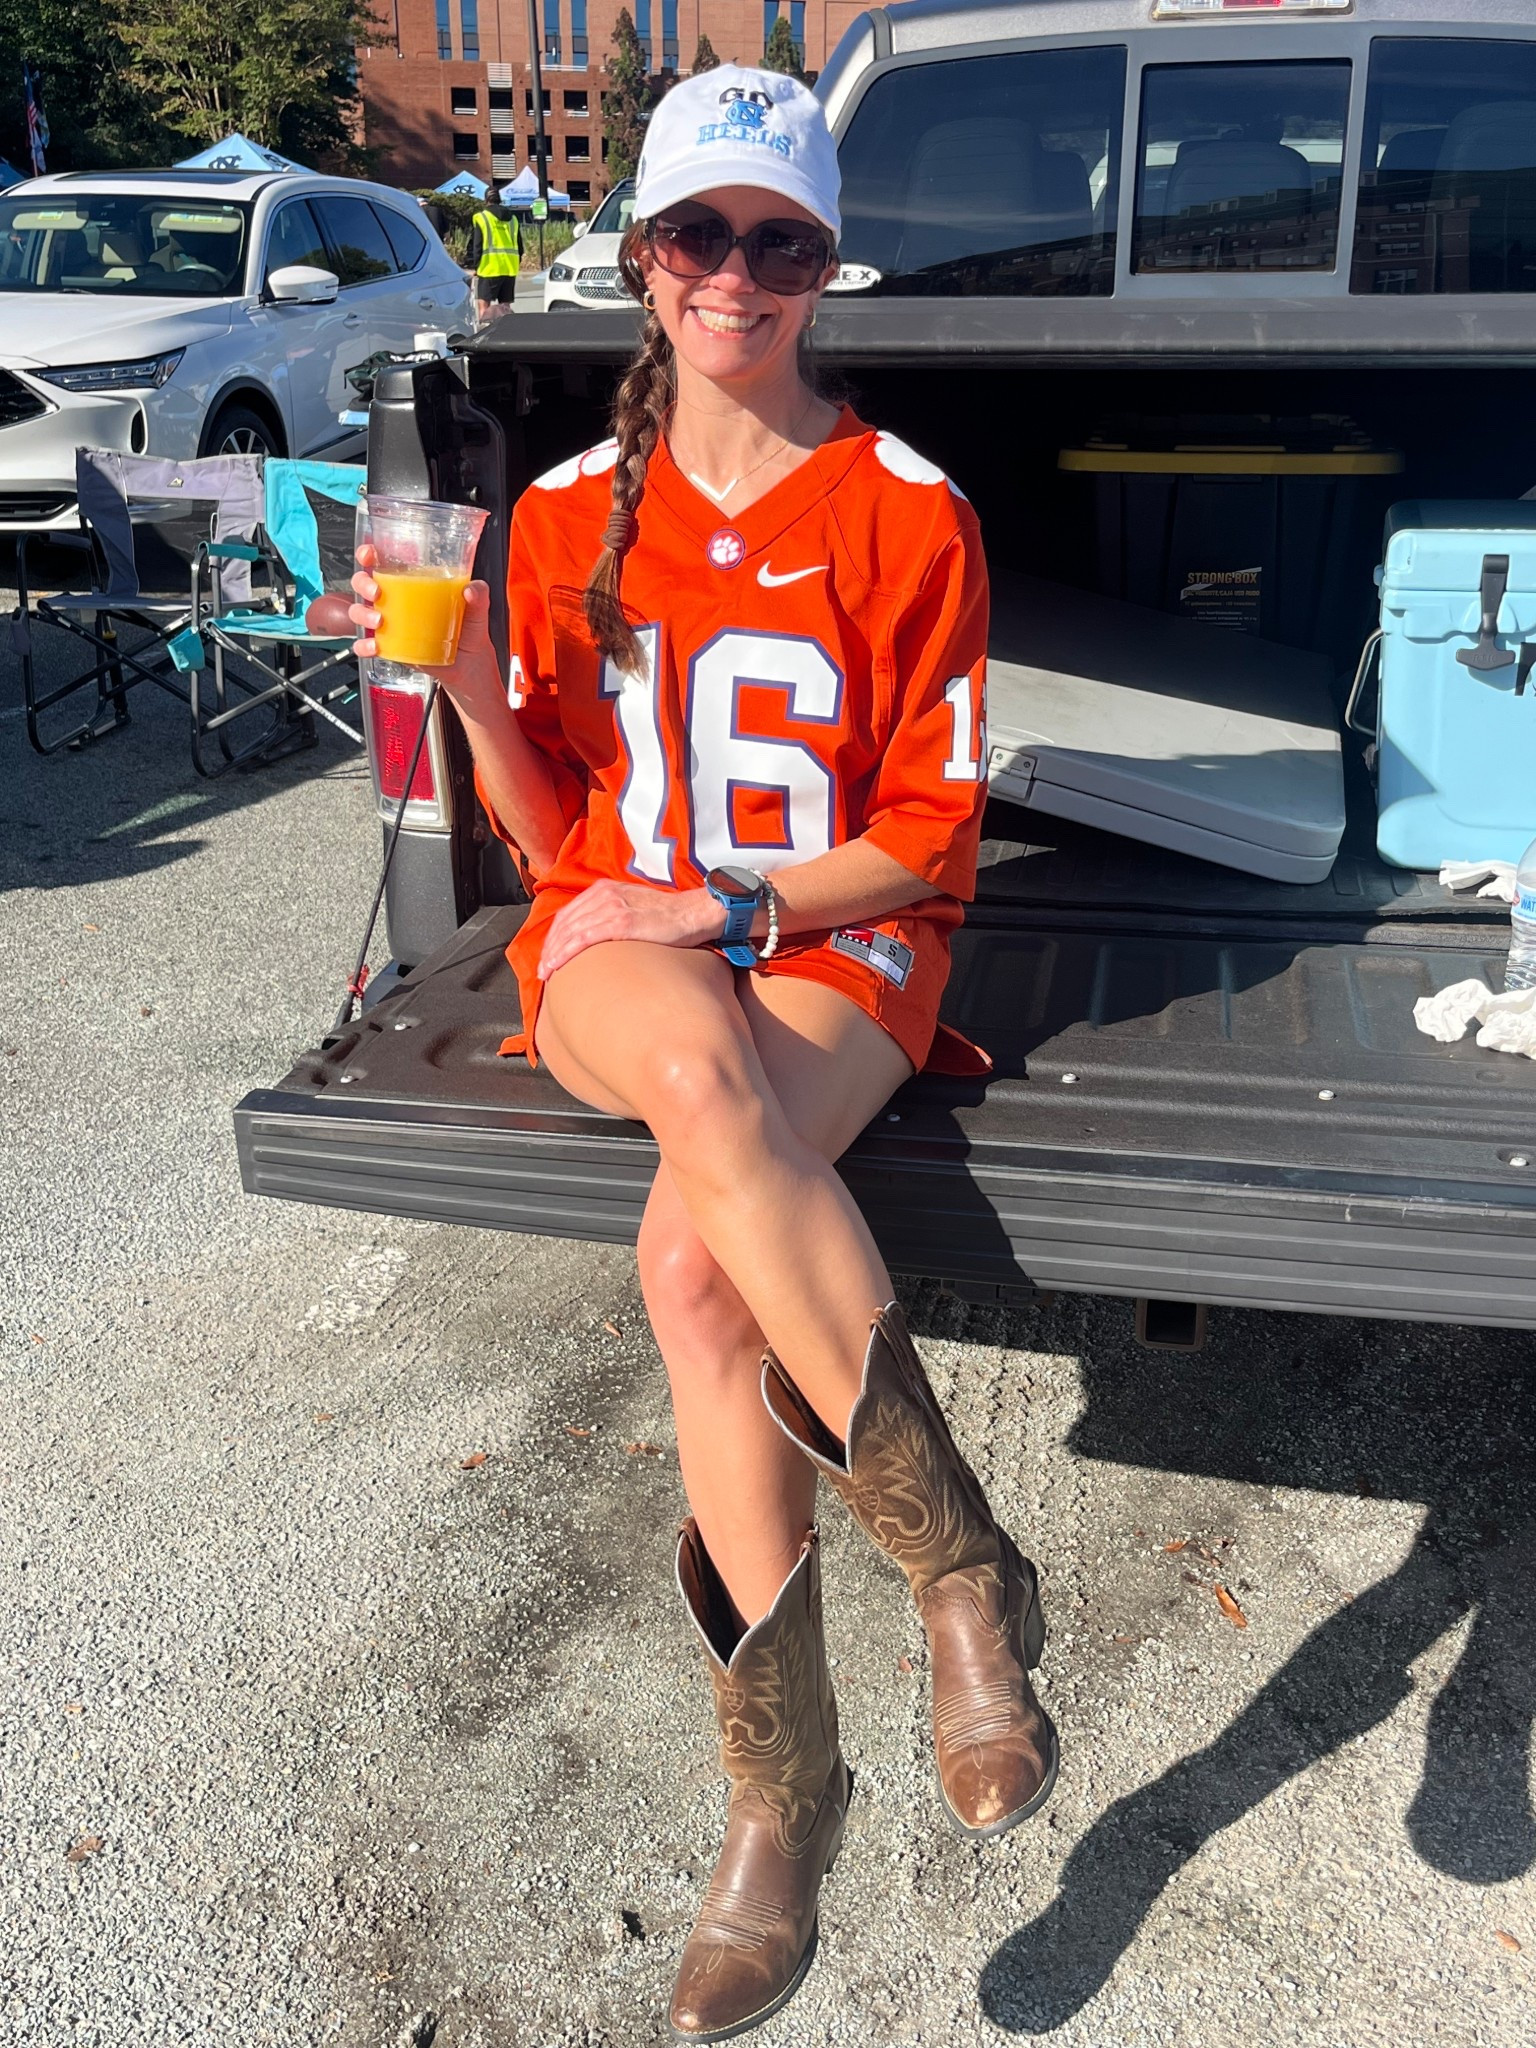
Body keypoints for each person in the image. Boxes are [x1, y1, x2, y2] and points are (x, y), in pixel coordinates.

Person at [351, 64, 1058, 2042]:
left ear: (828, 268)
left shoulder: (911, 510)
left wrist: (739, 910)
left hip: (837, 942)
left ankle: (786, 1787)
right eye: (699, 233)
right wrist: (470, 681)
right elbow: (552, 824)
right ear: (643, 260)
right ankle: (961, 1579)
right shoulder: (574, 509)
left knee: (690, 1260)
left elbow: (930, 833)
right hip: (624, 946)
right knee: (674, 1044)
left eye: (781, 237)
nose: (735, 272)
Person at [468, 189, 520, 323]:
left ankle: (485, 335)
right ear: (500, 199)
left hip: (489, 267)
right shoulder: (513, 219)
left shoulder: (482, 217)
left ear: (486, 200)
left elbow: (477, 245)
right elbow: (520, 246)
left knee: (484, 306)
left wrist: (476, 266)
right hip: (509, 267)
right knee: (505, 307)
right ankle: (506, 334)